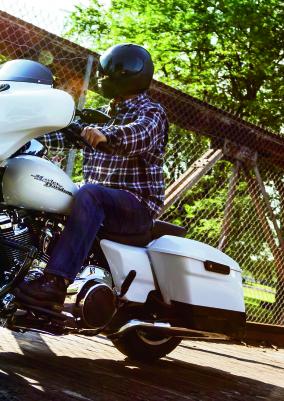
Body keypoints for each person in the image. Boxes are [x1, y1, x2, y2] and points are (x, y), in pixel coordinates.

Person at [13, 43, 169, 311]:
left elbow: (139, 135)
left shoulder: (151, 113)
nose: (104, 77)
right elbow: (64, 137)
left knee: (90, 194)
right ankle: (24, 271)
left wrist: (106, 135)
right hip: (103, 200)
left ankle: (55, 283)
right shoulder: (106, 117)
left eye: (110, 72)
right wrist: (23, 135)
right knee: (50, 189)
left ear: (130, 74)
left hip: (137, 206)